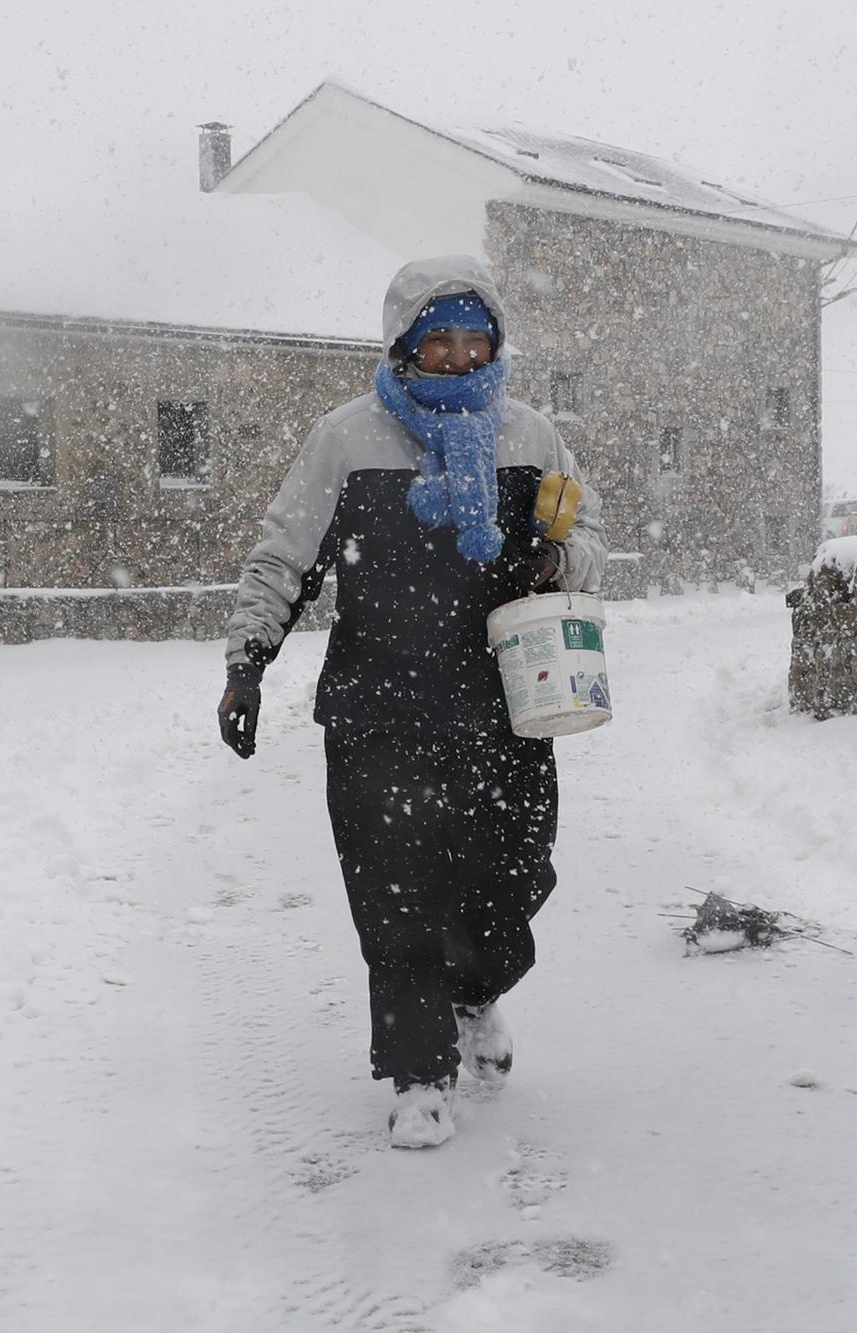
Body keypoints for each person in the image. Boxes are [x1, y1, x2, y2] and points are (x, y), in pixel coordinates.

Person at [216, 255, 606, 1149]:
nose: (463, 358)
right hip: (378, 711)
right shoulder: (347, 439)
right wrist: (248, 659)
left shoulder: (532, 436)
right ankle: (418, 1072)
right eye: (443, 339)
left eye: (479, 340)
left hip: (506, 706)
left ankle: (475, 995)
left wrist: (560, 560)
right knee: (396, 900)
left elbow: (591, 541)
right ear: (406, 343)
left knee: (512, 878)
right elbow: (285, 555)